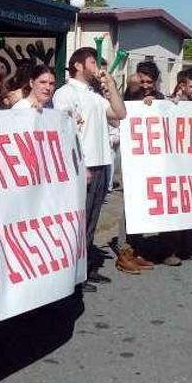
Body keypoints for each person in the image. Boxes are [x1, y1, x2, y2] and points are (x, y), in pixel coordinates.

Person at [53, 47, 127, 292]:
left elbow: (119, 113)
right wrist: (79, 163)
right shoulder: (65, 93)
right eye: (92, 62)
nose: (97, 67)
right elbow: (64, 131)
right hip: (83, 165)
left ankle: (86, 269)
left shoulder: (95, 95)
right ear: (78, 66)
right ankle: (72, 276)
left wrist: (111, 85)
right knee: (79, 223)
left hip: (102, 162)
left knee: (92, 222)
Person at [160, 69, 192, 265]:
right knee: (174, 210)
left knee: (190, 210)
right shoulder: (173, 104)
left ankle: (187, 248)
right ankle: (168, 251)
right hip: (175, 166)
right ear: (183, 86)